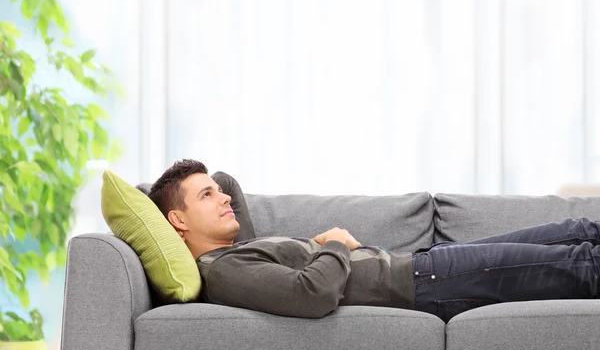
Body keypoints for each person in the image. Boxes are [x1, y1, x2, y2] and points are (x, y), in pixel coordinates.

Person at [148, 159, 600, 322]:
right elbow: (311, 295)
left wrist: (200, 184)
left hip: (426, 263)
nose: (223, 196)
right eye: (207, 196)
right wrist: (338, 244)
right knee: (580, 264)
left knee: (575, 231)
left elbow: (228, 180)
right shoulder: (223, 272)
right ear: (178, 221)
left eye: (217, 192)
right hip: (427, 283)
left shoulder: (234, 250)